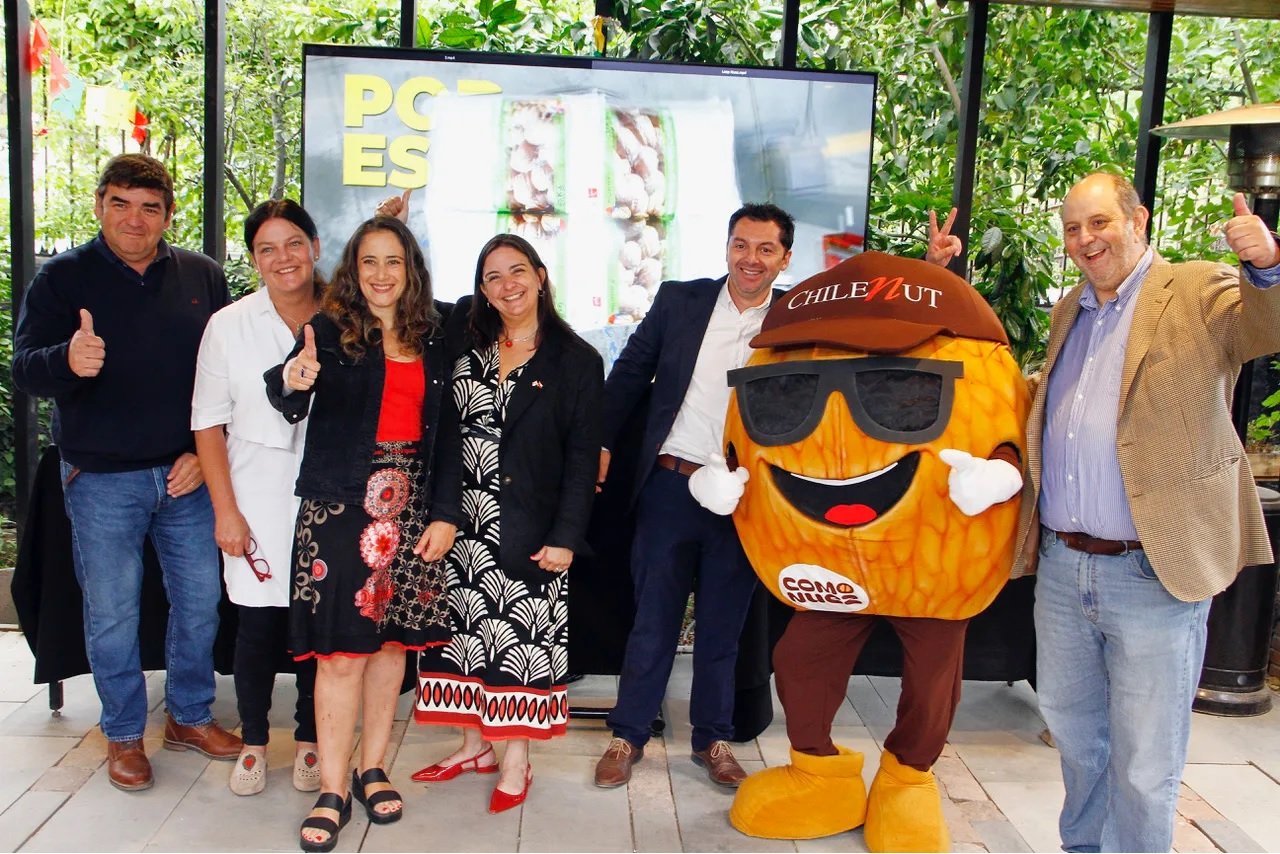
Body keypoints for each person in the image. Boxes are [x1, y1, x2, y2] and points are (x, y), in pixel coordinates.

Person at [1010, 172, 1280, 853]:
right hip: (1064, 568)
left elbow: (1264, 328)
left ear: (1138, 220)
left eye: (1099, 222)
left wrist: (1267, 266)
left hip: (1152, 571)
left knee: (1144, 762)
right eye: (1073, 228)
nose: (1085, 239)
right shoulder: (1070, 310)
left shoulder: (1195, 289)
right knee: (1076, 739)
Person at [11, 153, 241, 791]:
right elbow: (24, 368)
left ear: (168, 215)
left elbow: (225, 376)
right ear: (99, 205)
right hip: (101, 479)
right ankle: (123, 733)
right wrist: (67, 359)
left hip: (187, 474)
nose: (134, 219)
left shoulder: (201, 275)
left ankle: (189, 717)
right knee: (112, 612)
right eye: (120, 204)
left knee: (200, 604)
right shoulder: (61, 279)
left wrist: (204, 452)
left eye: (149, 208)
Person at [265, 216, 460, 853]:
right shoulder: (327, 329)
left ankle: (372, 767)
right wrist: (292, 380)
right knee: (341, 655)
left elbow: (450, 435)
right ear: (353, 269)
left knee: (390, 650)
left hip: (413, 509)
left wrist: (444, 513)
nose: (381, 274)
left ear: (411, 270)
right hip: (340, 506)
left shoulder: (435, 336)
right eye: (369, 261)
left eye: (393, 261)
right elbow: (288, 388)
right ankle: (332, 788)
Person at [592, 202, 794, 789]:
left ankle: (714, 740)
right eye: (741, 245)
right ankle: (628, 735)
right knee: (652, 620)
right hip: (671, 486)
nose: (750, 258)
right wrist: (601, 440)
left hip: (746, 498)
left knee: (723, 628)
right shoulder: (681, 301)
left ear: (784, 258)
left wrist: (935, 269)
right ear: (727, 246)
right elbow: (630, 372)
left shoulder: (797, 317)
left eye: (765, 249)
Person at [412, 234, 604, 813]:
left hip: (529, 531)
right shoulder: (463, 344)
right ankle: (474, 747)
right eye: (492, 276)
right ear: (482, 289)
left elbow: (582, 460)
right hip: (457, 526)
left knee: (519, 648)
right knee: (459, 646)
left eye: (517, 271)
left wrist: (566, 537)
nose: (507, 285)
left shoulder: (576, 359)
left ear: (540, 276)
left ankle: (516, 761)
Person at [192, 199, 324, 796]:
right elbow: (207, 423)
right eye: (267, 249)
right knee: (258, 622)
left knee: (318, 621)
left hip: (330, 490)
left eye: (293, 243)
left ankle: (311, 739)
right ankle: (253, 741)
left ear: (315, 247)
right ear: (253, 259)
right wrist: (226, 510)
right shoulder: (229, 325)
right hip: (254, 489)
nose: (283, 258)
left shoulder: (346, 315)